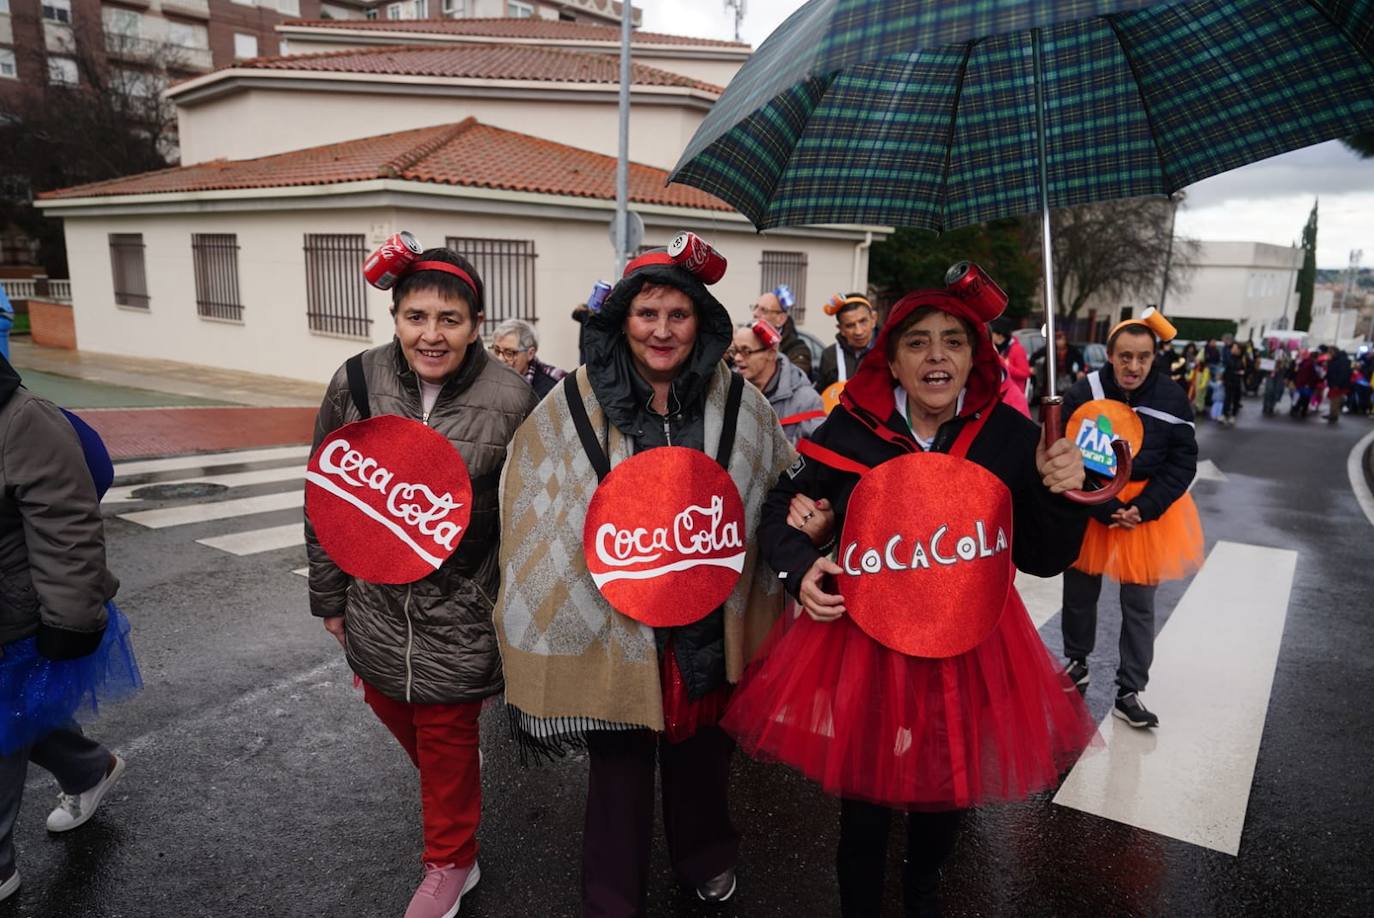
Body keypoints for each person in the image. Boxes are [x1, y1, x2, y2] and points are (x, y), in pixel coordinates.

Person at [722, 284, 1096, 918]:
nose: (935, 355)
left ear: (976, 358)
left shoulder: (1011, 437)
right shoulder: (851, 430)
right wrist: (802, 567)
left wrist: (1060, 491)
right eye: (917, 341)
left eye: (953, 340)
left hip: (967, 642)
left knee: (944, 791)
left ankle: (923, 894)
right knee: (863, 806)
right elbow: (783, 515)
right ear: (890, 360)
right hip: (867, 641)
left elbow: (1042, 557)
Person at [494, 243, 795, 917]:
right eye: (648, 312)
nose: (662, 329)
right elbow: (533, 492)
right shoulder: (571, 400)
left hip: (705, 618)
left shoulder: (742, 404)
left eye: (679, 314)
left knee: (703, 755)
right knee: (619, 768)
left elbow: (775, 483)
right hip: (613, 616)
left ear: (701, 322)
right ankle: (611, 895)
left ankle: (706, 858)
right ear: (622, 319)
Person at [305, 247, 537, 918]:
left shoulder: (513, 400)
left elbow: (525, 518)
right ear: (394, 316)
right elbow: (325, 491)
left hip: (463, 604)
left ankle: (450, 862)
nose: (431, 334)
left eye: (450, 318)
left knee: (443, 732)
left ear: (476, 324)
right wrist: (328, 596)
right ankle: (456, 782)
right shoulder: (355, 379)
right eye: (416, 316)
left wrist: (513, 614)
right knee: (391, 706)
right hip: (375, 600)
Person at [1, 353, 139, 904]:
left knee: (3, 726)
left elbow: (68, 531)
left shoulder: (24, 419)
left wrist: (69, 622)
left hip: (14, 618)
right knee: (18, 715)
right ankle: (89, 768)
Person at [1060, 313, 1204, 729]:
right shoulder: (1084, 392)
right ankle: (1077, 662)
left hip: (1147, 510)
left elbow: (1182, 461)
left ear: (1154, 357)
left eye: (1143, 358)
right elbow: (1064, 453)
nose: (1133, 367)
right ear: (1109, 356)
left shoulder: (1173, 399)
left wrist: (1146, 507)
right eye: (1125, 357)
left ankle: (1130, 688)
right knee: (1080, 592)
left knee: (1138, 605)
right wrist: (1103, 504)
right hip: (1092, 503)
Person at [732, 320, 825, 445]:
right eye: (735, 351)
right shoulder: (729, 388)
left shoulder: (807, 402)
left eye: (746, 351)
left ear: (771, 353)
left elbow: (814, 454)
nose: (737, 358)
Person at [490, 317, 566, 399]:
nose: (500, 358)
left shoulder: (551, 391)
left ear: (530, 354)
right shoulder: (485, 378)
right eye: (497, 351)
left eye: (509, 353)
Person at [816, 293, 879, 391]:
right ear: (841, 329)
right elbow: (821, 396)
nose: (859, 331)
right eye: (850, 326)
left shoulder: (889, 351)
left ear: (874, 319)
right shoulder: (830, 356)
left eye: (863, 321)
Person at [753, 286, 813, 379]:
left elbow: (794, 379)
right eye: (755, 307)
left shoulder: (798, 350)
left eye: (763, 310)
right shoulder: (747, 340)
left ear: (781, 319)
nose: (755, 314)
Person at [990, 317, 1032, 418]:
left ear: (1000, 335)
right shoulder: (1000, 349)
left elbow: (1025, 373)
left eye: (993, 333)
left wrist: (1006, 365)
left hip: (1013, 399)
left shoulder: (1016, 349)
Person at [1030, 330, 1086, 399]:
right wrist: (1031, 366)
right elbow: (1034, 356)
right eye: (1058, 340)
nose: (1060, 342)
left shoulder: (1071, 349)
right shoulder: (1050, 348)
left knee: (1066, 396)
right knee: (1050, 396)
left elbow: (1080, 360)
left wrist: (1080, 370)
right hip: (1052, 377)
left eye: (1062, 339)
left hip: (1066, 376)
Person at [1325, 347, 1351, 424]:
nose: (1328, 354)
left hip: (1338, 384)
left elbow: (1343, 374)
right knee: (1334, 399)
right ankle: (1332, 414)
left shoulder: (1342, 361)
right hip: (1335, 383)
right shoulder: (1336, 360)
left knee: (1335, 399)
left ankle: (1333, 415)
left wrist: (1337, 384)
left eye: (1329, 353)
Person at [1221, 341, 1245, 426]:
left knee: (1235, 400)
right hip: (1228, 382)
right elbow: (1226, 370)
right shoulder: (1229, 358)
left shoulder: (1242, 359)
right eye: (1232, 348)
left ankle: (1233, 416)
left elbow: (1244, 370)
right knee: (1227, 399)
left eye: (1234, 348)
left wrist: (1240, 372)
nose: (1232, 349)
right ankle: (1224, 415)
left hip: (1237, 383)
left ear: (1239, 350)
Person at [1291, 350, 1318, 419]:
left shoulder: (1308, 362)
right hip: (1304, 383)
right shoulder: (1307, 363)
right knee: (1304, 398)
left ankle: (1299, 410)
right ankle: (1301, 411)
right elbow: (1304, 374)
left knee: (1304, 397)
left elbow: (1310, 374)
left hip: (1304, 383)